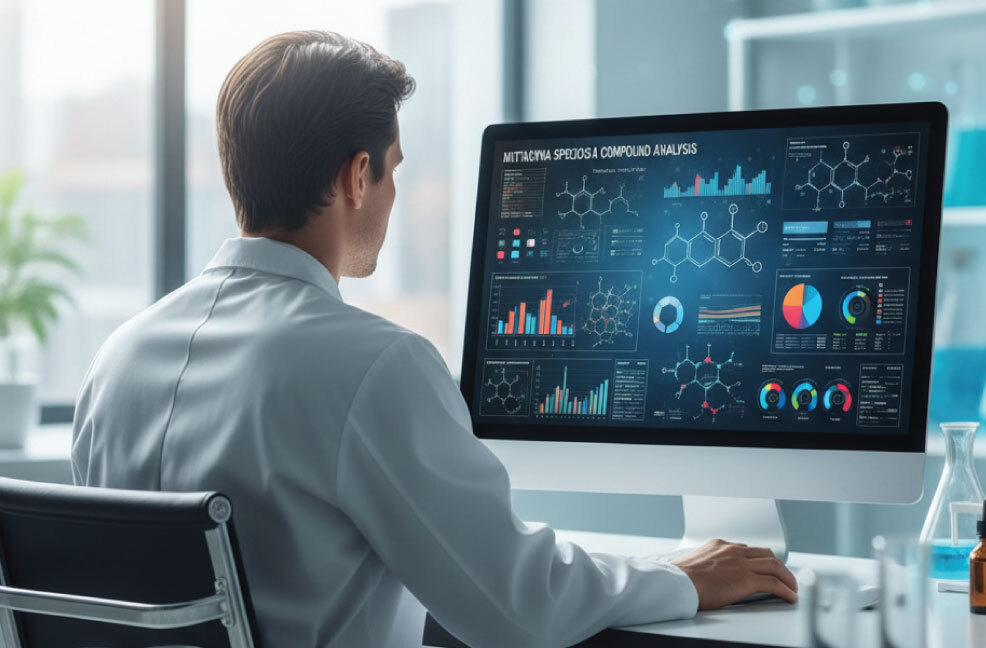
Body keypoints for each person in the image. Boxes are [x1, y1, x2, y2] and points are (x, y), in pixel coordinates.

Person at [71, 30, 797, 648]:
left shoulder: (117, 360)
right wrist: (680, 579)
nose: (392, 197)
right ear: (360, 176)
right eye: (394, 174)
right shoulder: (373, 366)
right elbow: (518, 606)